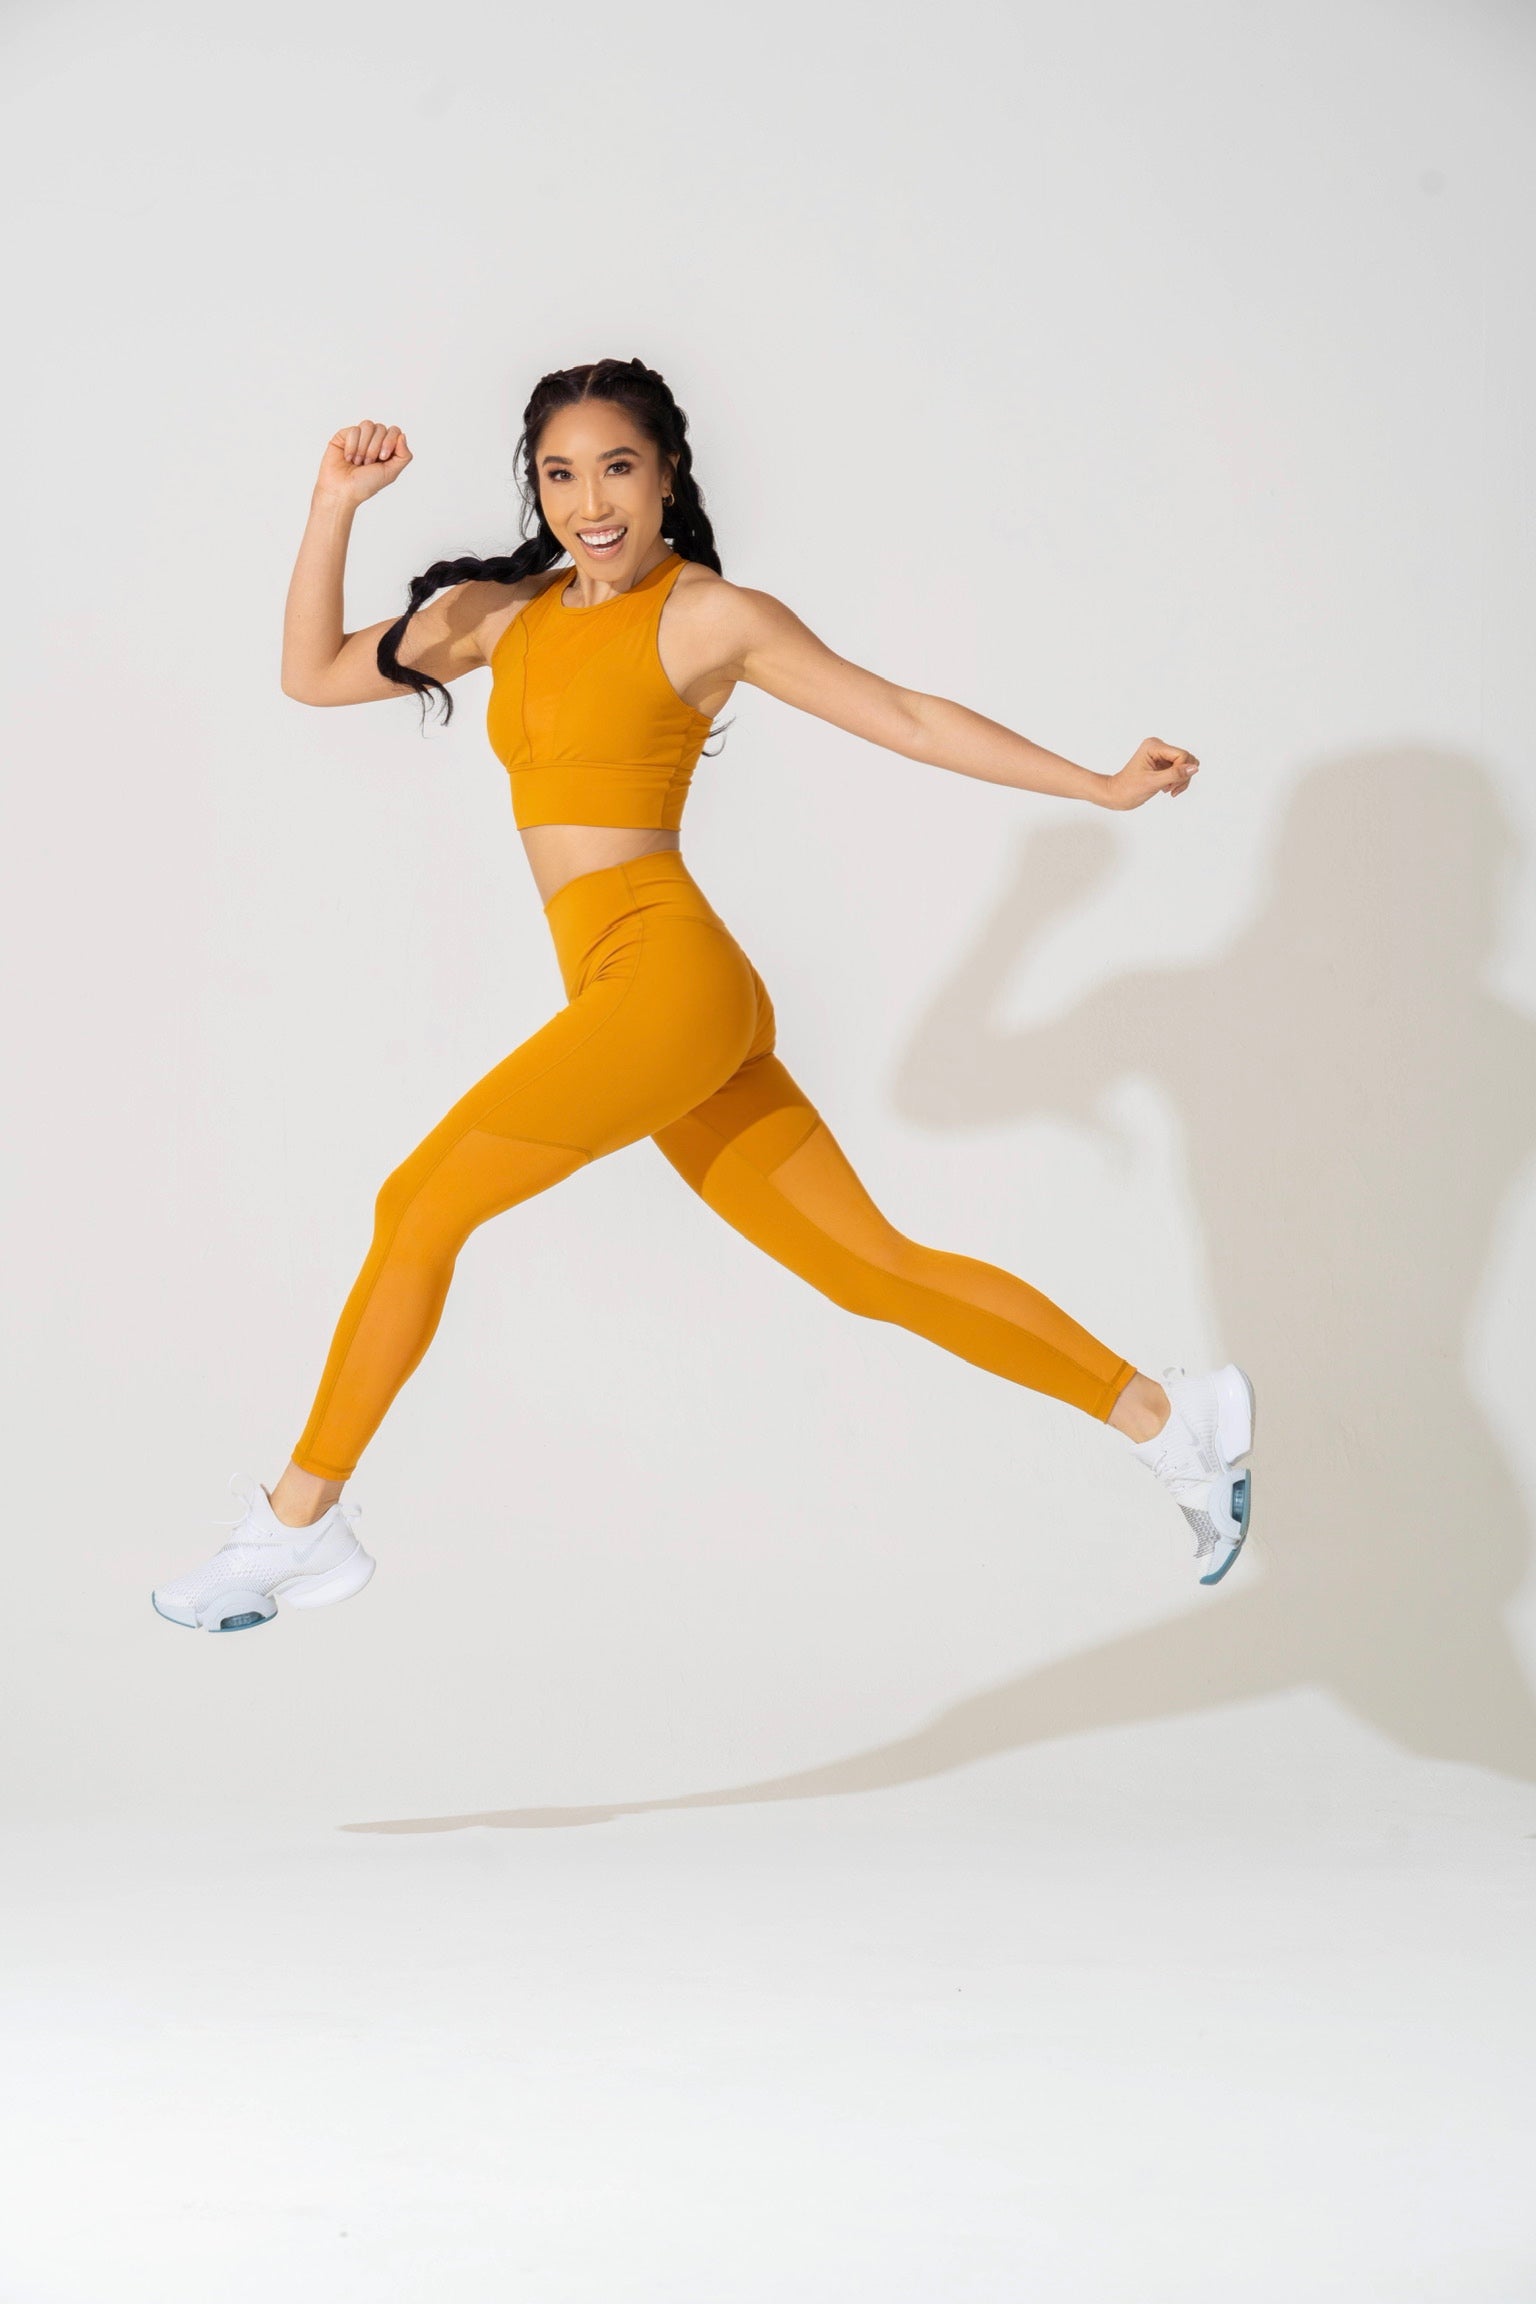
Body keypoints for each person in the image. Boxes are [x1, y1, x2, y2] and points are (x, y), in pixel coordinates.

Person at [152, 357, 1255, 1637]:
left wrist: (1096, 788)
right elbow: (315, 674)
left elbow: (903, 715)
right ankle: (1179, 1423)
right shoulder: (502, 617)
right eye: (559, 475)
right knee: (871, 1268)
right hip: (655, 993)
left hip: (664, 981)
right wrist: (333, 507)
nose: (589, 501)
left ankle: (300, 1524)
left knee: (417, 1206)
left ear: (669, 469)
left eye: (616, 466)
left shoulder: (709, 616)